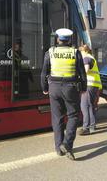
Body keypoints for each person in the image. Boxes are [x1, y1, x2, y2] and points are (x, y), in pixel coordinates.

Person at [41, 28, 87, 160]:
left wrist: (45, 88)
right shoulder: (75, 52)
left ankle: (58, 148)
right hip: (70, 88)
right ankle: (67, 145)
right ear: (69, 40)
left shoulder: (50, 52)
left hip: (54, 88)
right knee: (73, 116)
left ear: (57, 39)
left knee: (57, 118)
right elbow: (82, 73)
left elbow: (44, 72)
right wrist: (83, 87)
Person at [78, 45, 102, 135]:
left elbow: (86, 71)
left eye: (80, 53)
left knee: (85, 106)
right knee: (90, 106)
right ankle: (92, 127)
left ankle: (86, 128)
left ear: (84, 51)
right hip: (93, 85)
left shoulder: (86, 58)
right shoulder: (91, 58)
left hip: (89, 85)